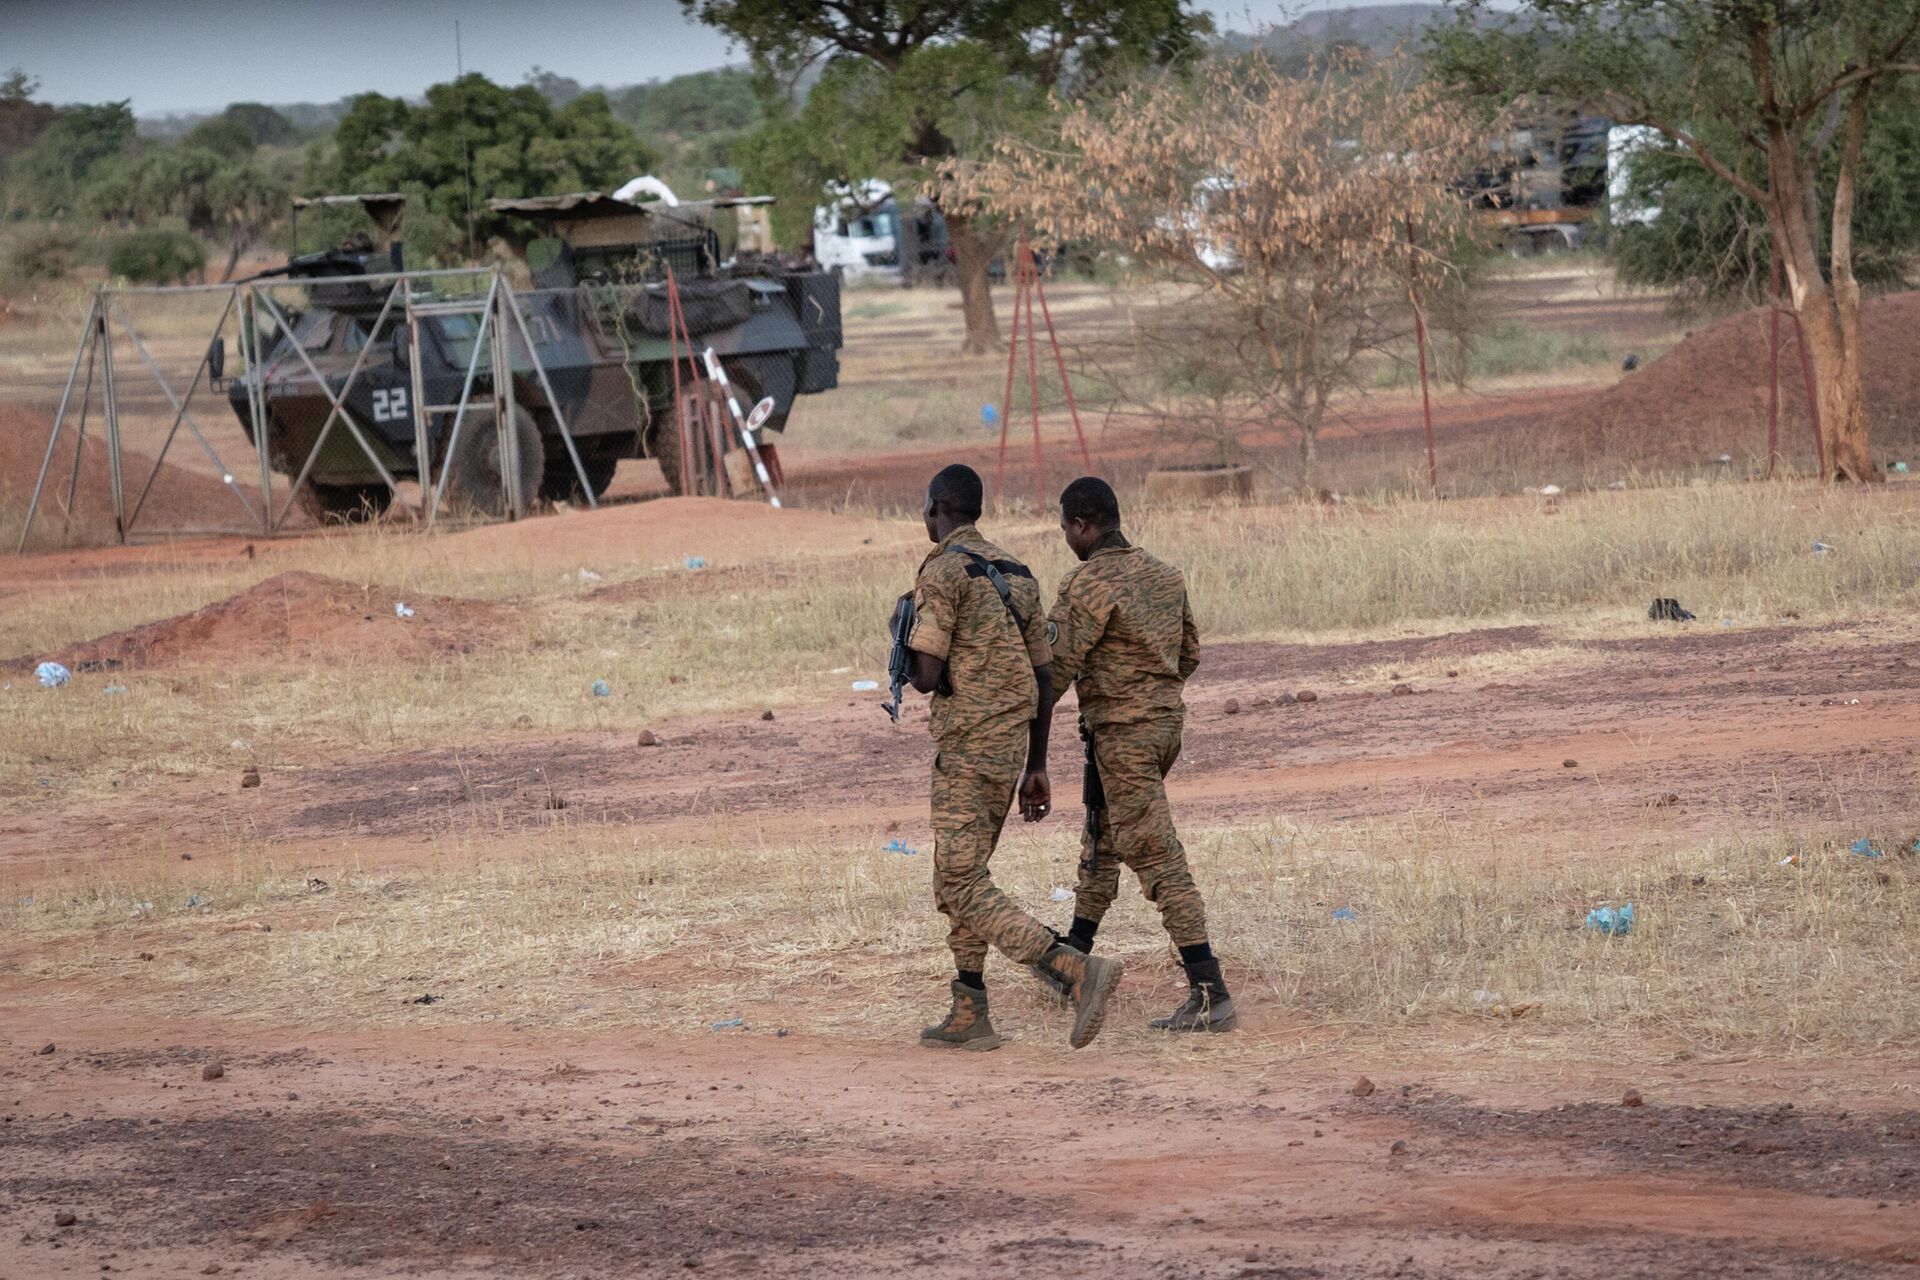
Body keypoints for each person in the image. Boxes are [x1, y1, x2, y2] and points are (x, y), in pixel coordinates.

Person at [903, 464, 1124, 1051]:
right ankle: (969, 1006)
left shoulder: (942, 571)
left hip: (969, 746)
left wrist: (902, 650)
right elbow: (1044, 675)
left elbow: (926, 675)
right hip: (1008, 748)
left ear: (936, 509)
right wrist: (1037, 764)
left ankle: (1069, 967)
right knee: (961, 873)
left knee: (958, 877)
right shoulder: (1017, 574)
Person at [1029, 476, 1236, 1032]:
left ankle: (1210, 990)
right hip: (1164, 728)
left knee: (1157, 857)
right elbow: (1188, 653)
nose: (1066, 538)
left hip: (1123, 735)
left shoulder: (1086, 583)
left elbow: (1057, 668)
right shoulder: (1165, 575)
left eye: (1065, 528)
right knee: (1103, 836)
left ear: (1081, 525)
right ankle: (1072, 956)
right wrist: (1152, 690)